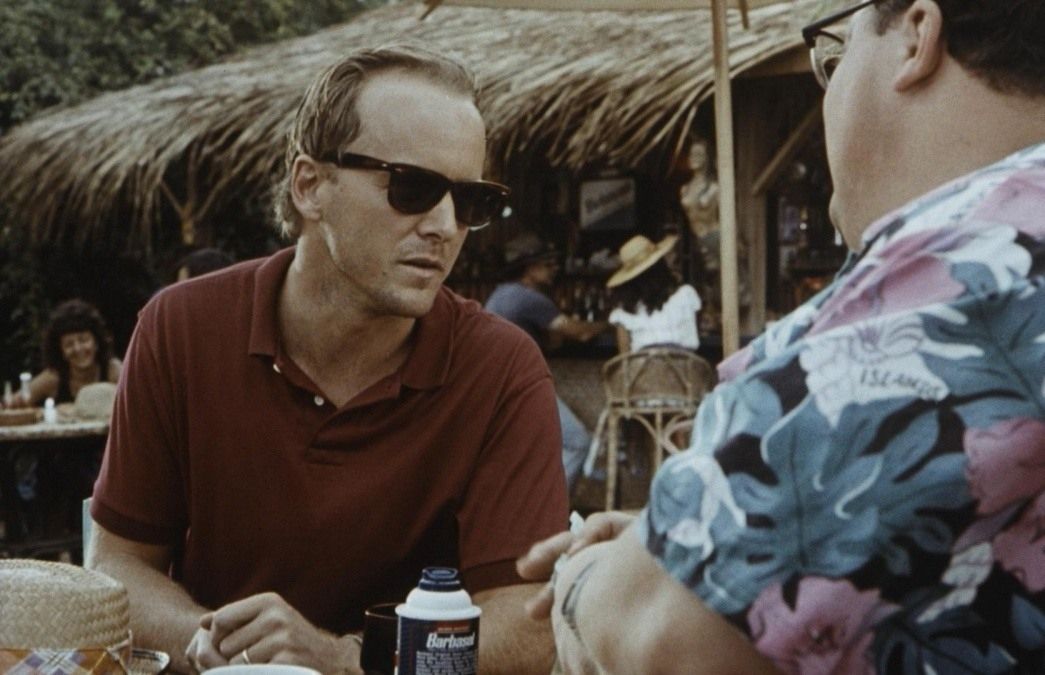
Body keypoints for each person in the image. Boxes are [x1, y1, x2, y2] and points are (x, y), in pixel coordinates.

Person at [518, 1, 1045, 672]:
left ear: (916, 36)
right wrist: (688, 541)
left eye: (834, 58)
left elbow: (669, 634)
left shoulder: (985, 258)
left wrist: (586, 577)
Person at [87, 44, 568, 675]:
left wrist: (343, 660)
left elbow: (527, 627)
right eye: (413, 188)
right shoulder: (181, 328)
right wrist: (223, 649)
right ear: (310, 186)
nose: (445, 225)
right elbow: (118, 565)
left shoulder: (500, 368)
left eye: (469, 200)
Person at [484, 232, 606, 492]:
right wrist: (611, 323)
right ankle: (550, 506)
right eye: (547, 264)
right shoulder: (530, 298)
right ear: (529, 268)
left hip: (495, 388)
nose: (554, 268)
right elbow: (580, 332)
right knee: (578, 442)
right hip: (517, 387)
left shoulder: (502, 294)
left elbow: (550, 341)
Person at [5, 299, 121, 408]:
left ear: (96, 343)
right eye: (69, 344)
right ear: (61, 351)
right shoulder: (53, 378)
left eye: (83, 340)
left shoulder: (113, 370)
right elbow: (11, 404)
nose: (77, 349)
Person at [605, 233, 701, 354]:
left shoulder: (623, 311)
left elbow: (625, 357)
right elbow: (694, 331)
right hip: (684, 364)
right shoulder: (686, 295)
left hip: (642, 365)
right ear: (661, 265)